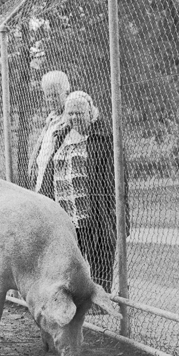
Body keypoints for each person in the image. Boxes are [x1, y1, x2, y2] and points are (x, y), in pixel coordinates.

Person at [50, 91, 118, 292]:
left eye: (79, 113)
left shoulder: (103, 137)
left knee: (100, 256)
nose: (74, 118)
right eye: (70, 113)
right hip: (66, 212)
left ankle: (100, 299)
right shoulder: (61, 135)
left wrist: (116, 214)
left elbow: (113, 180)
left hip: (94, 210)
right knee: (71, 259)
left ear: (90, 112)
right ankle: (75, 298)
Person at [28, 70, 72, 198]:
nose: (51, 99)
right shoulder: (51, 117)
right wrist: (33, 160)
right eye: (48, 96)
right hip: (42, 176)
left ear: (66, 93)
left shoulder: (69, 116)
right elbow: (40, 142)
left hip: (56, 179)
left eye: (55, 95)